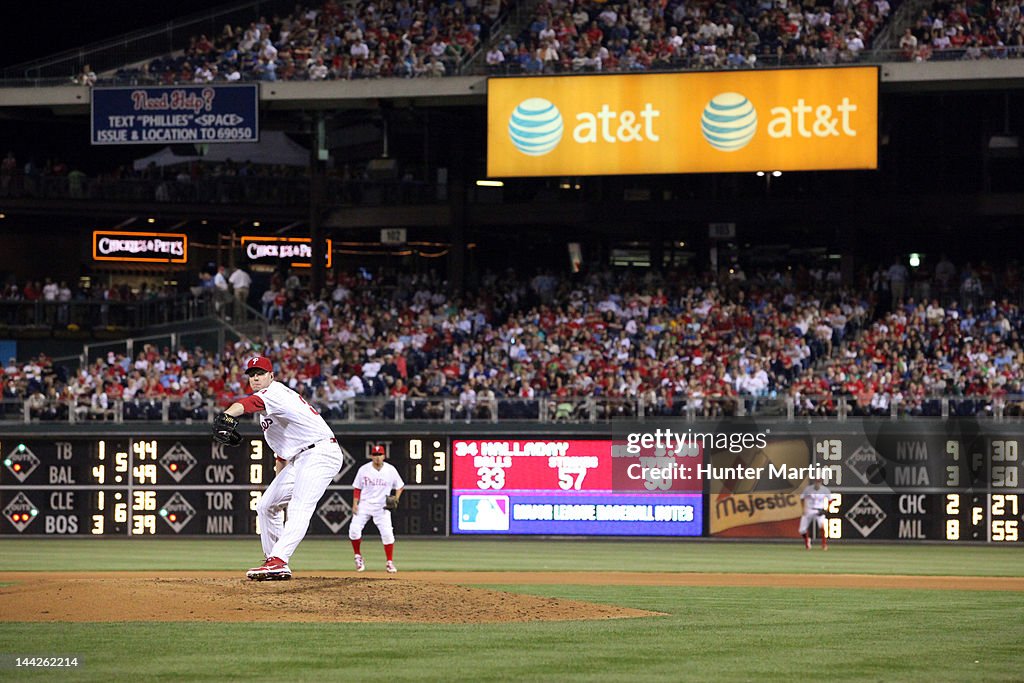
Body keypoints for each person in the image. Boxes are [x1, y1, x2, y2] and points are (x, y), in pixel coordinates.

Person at [222, 356, 344, 580]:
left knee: (299, 506)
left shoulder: (275, 393)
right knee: (267, 505)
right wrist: (279, 482)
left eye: (260, 373)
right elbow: (282, 451)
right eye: (251, 374)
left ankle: (279, 560)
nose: (255, 377)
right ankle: (274, 562)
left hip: (320, 452)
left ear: (272, 376)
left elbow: (249, 404)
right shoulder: (268, 411)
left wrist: (227, 415)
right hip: (300, 457)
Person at [349, 444, 405, 573]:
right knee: (354, 530)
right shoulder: (364, 470)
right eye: (375, 455)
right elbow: (357, 488)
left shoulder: (391, 470)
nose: (377, 457)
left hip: (382, 507)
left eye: (380, 455)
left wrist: (396, 498)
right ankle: (358, 556)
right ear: (371, 456)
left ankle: (389, 562)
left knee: (388, 535)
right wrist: (355, 503)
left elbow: (400, 486)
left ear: (384, 456)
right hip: (364, 504)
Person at [799, 477, 833, 550]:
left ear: (821, 482)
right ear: (814, 482)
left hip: (819, 510)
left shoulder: (825, 490)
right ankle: (807, 541)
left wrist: (827, 509)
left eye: (819, 481)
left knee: (822, 526)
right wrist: (803, 509)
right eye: (816, 481)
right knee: (802, 530)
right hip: (809, 509)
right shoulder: (808, 489)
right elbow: (802, 498)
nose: (818, 483)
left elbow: (830, 500)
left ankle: (824, 544)